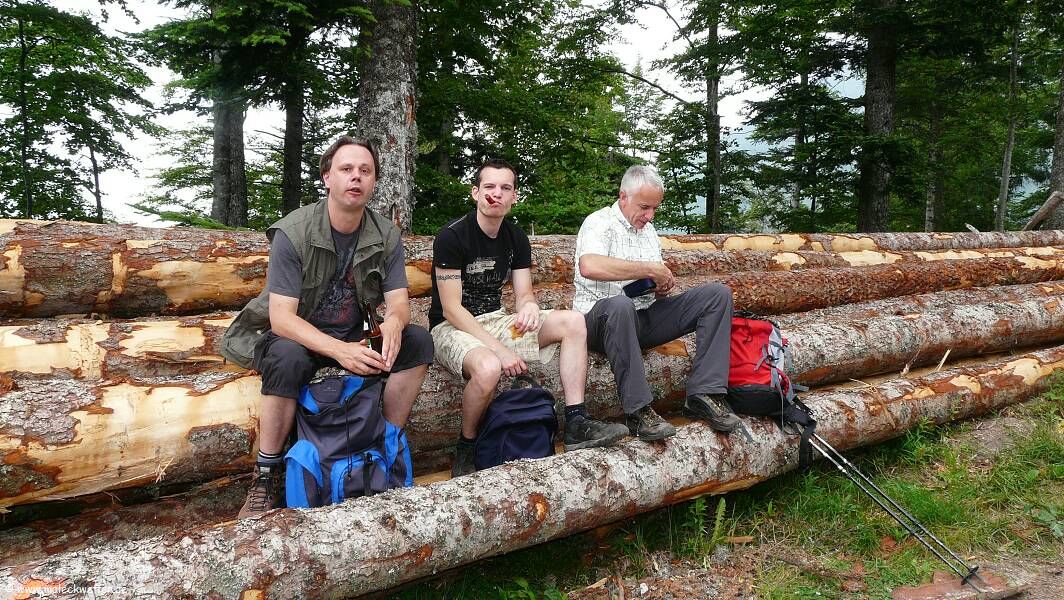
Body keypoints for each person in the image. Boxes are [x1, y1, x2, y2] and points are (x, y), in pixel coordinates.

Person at [221, 136, 433, 518]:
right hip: (301, 335)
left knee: (418, 341)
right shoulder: (294, 232)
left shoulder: (385, 234)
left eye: (365, 171)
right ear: (327, 177)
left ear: (374, 181)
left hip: (354, 334)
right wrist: (340, 352)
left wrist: (394, 322)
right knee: (285, 358)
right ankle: (266, 475)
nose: (356, 177)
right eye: (346, 169)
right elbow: (282, 318)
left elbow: (399, 302)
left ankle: (386, 444)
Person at [430, 158, 629, 477]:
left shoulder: (515, 237)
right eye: (489, 186)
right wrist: (500, 351)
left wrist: (529, 306)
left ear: (514, 196)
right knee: (489, 367)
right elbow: (452, 309)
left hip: (496, 319)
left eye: (505, 188)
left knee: (573, 322)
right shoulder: (452, 236)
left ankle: (576, 422)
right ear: (475, 192)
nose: (496, 193)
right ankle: (467, 445)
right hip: (450, 326)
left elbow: (524, 293)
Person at [573, 164, 739, 441]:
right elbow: (589, 266)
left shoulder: (648, 232)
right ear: (623, 197)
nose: (650, 216)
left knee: (717, 295)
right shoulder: (598, 222)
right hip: (598, 322)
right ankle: (639, 411)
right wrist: (649, 269)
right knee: (619, 305)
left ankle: (704, 394)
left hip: (640, 317)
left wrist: (660, 287)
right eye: (644, 207)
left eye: (654, 209)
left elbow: (648, 281)